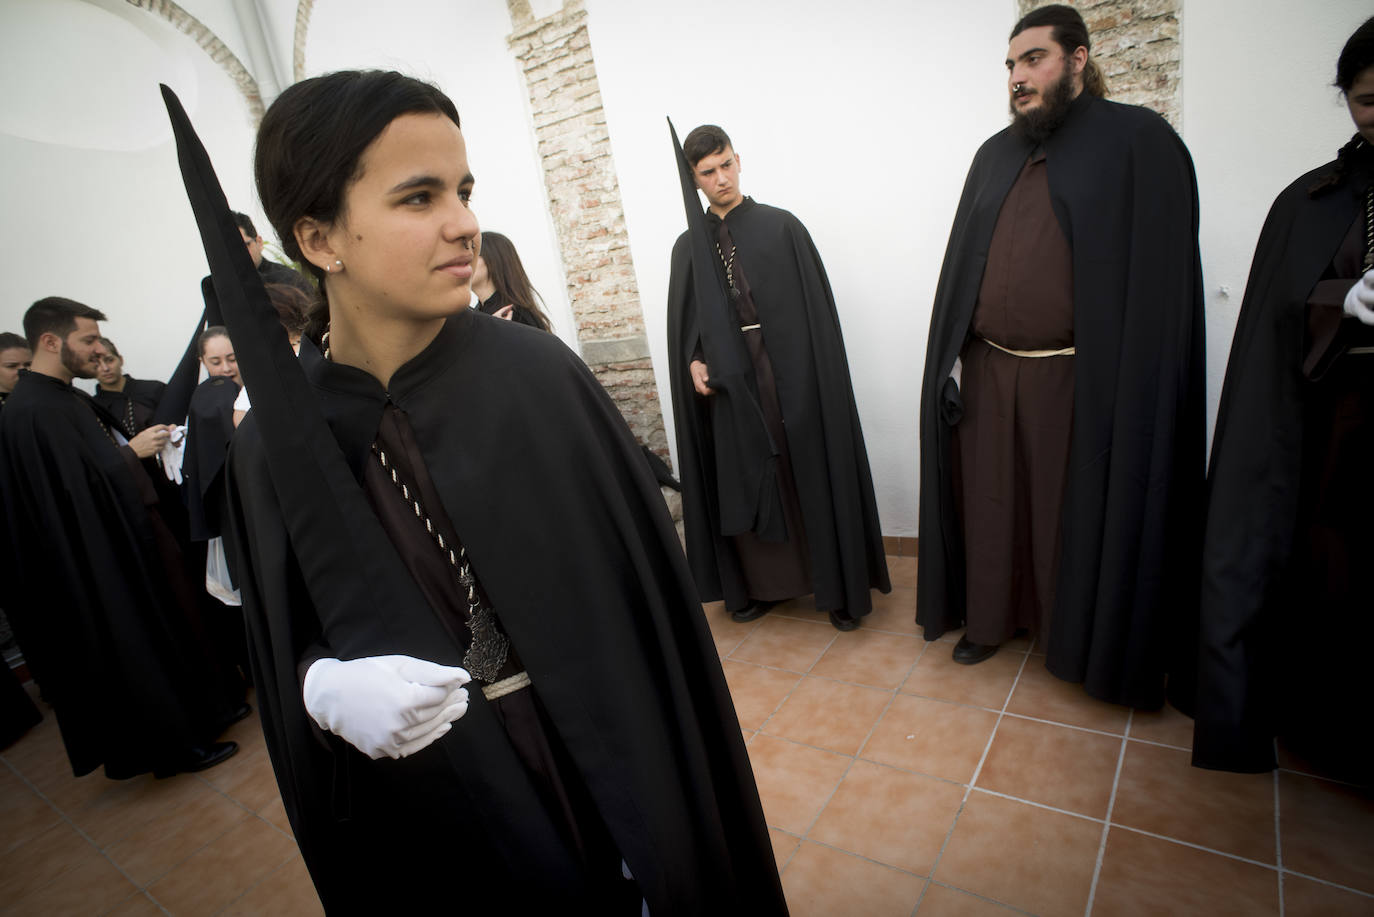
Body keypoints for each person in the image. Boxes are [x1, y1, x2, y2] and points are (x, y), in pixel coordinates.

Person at [163, 72, 785, 913]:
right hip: (443, 813)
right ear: (317, 238)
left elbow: (644, 620)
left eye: (464, 190)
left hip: (601, 770)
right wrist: (320, 688)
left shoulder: (538, 378)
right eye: (419, 197)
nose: (465, 224)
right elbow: (284, 637)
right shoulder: (276, 449)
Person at [917, 5, 1205, 710]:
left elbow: (1157, 283)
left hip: (1079, 376)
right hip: (990, 369)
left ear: (1078, 58)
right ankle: (989, 620)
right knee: (993, 503)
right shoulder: (994, 154)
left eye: (1034, 59)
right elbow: (963, 270)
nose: (1019, 77)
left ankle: (1071, 635)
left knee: (1064, 511)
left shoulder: (1137, 141)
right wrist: (952, 358)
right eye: (1012, 65)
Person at [1193, 16, 1374, 776]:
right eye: (1368, 101)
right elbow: (1281, 315)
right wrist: (1341, 300)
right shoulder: (1315, 201)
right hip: (1339, 434)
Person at [0, 297, 242, 778]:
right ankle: (177, 746)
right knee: (138, 643)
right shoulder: (34, 411)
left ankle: (205, 714)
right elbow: (70, 499)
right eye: (87, 339)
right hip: (100, 559)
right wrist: (131, 455)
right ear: (51, 341)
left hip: (128, 535)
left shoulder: (59, 396)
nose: (96, 350)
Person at [666, 123, 889, 631]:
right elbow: (689, 326)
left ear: (738, 160)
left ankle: (835, 586)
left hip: (789, 369)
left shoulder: (782, 227)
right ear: (694, 180)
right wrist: (694, 359)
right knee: (745, 474)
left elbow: (815, 314)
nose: (721, 178)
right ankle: (758, 587)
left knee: (804, 466)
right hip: (730, 382)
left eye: (726, 164)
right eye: (708, 172)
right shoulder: (687, 248)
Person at [471, 230, 554, 330]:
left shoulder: (516, 316)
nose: (464, 263)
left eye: (473, 255)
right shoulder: (476, 315)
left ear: (494, 260)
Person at [93, 337, 167, 438]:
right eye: (96, 364)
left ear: (121, 360)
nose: (105, 368)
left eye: (109, 360)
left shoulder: (154, 389)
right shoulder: (93, 408)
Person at [232, 210, 315, 296]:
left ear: (259, 242)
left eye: (244, 246)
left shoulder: (290, 282)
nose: (238, 253)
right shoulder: (228, 287)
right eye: (232, 249)